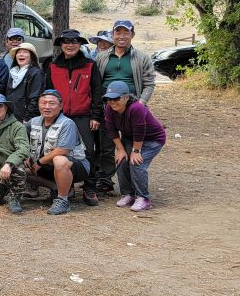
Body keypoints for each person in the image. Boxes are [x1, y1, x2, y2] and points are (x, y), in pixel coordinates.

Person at [95, 19, 157, 196]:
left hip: (131, 109)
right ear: (112, 35)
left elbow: (149, 83)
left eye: (126, 32)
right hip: (108, 106)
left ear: (132, 35)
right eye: (118, 32)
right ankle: (105, 180)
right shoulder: (102, 57)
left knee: (130, 145)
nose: (121, 36)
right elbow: (97, 82)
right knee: (106, 144)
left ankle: (132, 186)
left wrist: (141, 103)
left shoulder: (141, 58)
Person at [43, 29, 104, 206]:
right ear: (61, 45)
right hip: (60, 116)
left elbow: (97, 92)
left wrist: (95, 115)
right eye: (66, 42)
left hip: (83, 115)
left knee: (88, 152)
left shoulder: (90, 65)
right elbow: (48, 92)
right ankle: (65, 187)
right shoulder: (53, 66)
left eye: (75, 42)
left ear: (80, 44)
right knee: (58, 151)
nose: (70, 45)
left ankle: (89, 187)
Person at [25, 90, 90, 216]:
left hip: (75, 165)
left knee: (59, 159)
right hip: (46, 166)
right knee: (20, 168)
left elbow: (63, 150)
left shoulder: (67, 123)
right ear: (38, 105)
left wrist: (39, 162)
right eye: (43, 103)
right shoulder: (32, 122)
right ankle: (56, 187)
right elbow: (22, 143)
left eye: (52, 103)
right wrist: (25, 157)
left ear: (60, 106)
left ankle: (62, 200)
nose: (47, 107)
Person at [103, 82, 166, 212]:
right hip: (129, 138)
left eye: (116, 98)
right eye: (109, 99)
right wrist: (120, 150)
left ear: (126, 97)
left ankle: (144, 198)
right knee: (121, 160)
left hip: (152, 140)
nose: (112, 102)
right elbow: (111, 130)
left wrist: (136, 151)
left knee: (136, 163)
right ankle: (128, 194)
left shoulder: (136, 108)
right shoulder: (109, 108)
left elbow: (139, 131)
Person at [6, 42, 44, 123]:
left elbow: (35, 98)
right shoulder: (12, 73)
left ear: (32, 56)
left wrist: (27, 119)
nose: (21, 54)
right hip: (10, 117)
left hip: (26, 120)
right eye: (19, 52)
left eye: (25, 52)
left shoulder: (36, 73)